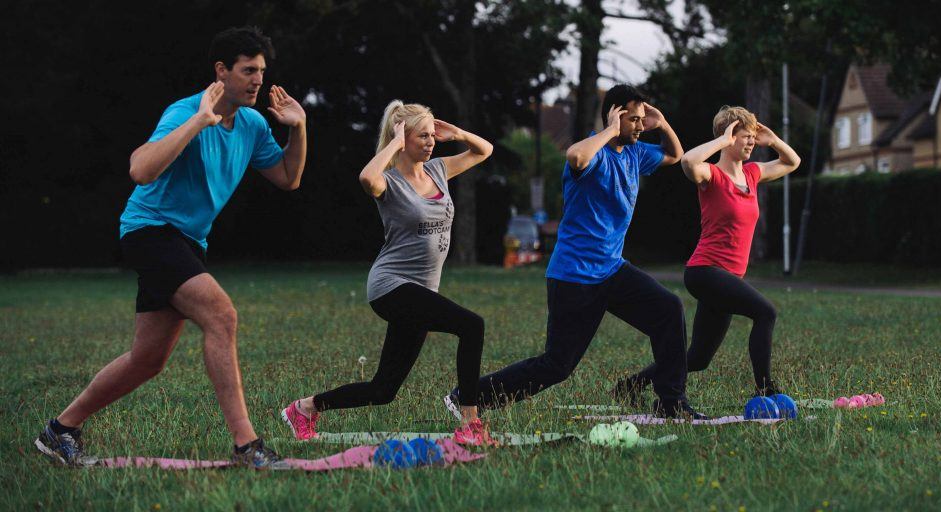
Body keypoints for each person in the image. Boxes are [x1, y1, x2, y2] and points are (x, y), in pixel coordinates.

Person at [34, 26, 307, 469]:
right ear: (221, 71)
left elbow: (288, 179)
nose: (258, 80)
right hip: (149, 231)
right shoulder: (184, 112)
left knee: (147, 360)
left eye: (261, 71)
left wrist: (300, 129)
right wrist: (200, 121)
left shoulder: (254, 124)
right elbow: (140, 169)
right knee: (222, 315)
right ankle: (247, 446)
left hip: (188, 242)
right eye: (248, 70)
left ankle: (60, 429)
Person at [446, 84, 705, 419]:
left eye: (643, 120)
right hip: (575, 275)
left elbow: (674, 155)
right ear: (615, 115)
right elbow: (575, 156)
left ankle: (671, 402)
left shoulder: (636, 153)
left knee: (669, 310)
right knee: (556, 365)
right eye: (635, 120)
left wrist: (663, 123)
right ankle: (466, 396)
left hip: (612, 269)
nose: (641, 126)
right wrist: (610, 130)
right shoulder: (593, 153)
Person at [281, 100, 496, 445]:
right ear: (403, 138)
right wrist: (393, 144)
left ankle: (304, 408)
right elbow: (367, 177)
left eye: (431, 135)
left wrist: (455, 132)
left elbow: (484, 150)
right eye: (421, 136)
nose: (430, 142)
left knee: (383, 389)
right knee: (472, 326)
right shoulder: (388, 183)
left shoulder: (439, 170)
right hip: (391, 286)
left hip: (422, 291)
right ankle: (470, 423)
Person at [616, 105, 801, 400]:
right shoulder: (711, 175)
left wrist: (773, 140)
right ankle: (765, 388)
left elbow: (793, 162)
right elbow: (688, 161)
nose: (751, 142)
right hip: (705, 271)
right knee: (765, 312)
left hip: (729, 277)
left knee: (699, 358)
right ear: (728, 137)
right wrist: (722, 141)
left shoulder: (752, 174)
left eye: (753, 137)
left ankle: (631, 385)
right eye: (745, 136)